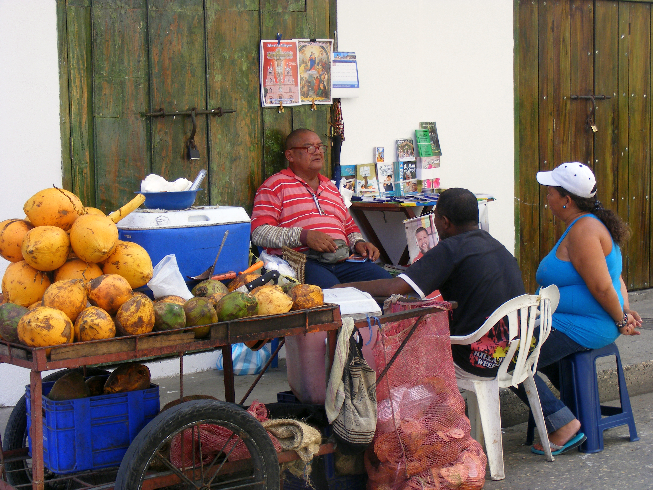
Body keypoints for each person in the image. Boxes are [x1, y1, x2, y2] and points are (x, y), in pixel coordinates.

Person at [516, 162, 642, 455]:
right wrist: (623, 308)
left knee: (507, 358)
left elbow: (602, 286)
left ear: (566, 200)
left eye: (550, 192)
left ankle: (565, 424)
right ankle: (576, 411)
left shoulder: (584, 230)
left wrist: (622, 317)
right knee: (528, 353)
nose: (547, 198)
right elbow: (616, 278)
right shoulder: (587, 224)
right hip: (571, 321)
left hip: (583, 325)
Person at [335, 187, 525, 379]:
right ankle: (552, 409)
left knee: (401, 347)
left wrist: (343, 287)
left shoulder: (450, 249)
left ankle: (418, 407)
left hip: (474, 360)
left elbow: (395, 288)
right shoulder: (496, 244)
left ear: (445, 222)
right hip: (516, 354)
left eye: (435, 217)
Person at [250, 128, 392, 289]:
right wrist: (304, 236)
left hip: (342, 259)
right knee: (330, 296)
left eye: (320, 147)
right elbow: (259, 233)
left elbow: (349, 227)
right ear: (290, 155)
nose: (317, 152)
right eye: (309, 147)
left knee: (387, 285)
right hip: (302, 262)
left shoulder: (331, 188)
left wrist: (359, 243)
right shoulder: (275, 185)